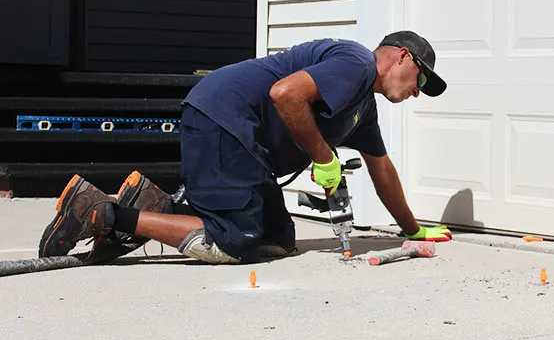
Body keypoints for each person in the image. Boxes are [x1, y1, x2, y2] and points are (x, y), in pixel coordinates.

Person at [38, 31, 453, 264]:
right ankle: (100, 212)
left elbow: (382, 171)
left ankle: (156, 206)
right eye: (421, 81)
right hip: (226, 117)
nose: (418, 93)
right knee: (234, 242)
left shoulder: (362, 107)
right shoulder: (356, 64)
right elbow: (285, 94)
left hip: (243, 138)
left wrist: (413, 229)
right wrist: (324, 157)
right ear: (402, 57)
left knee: (276, 239)